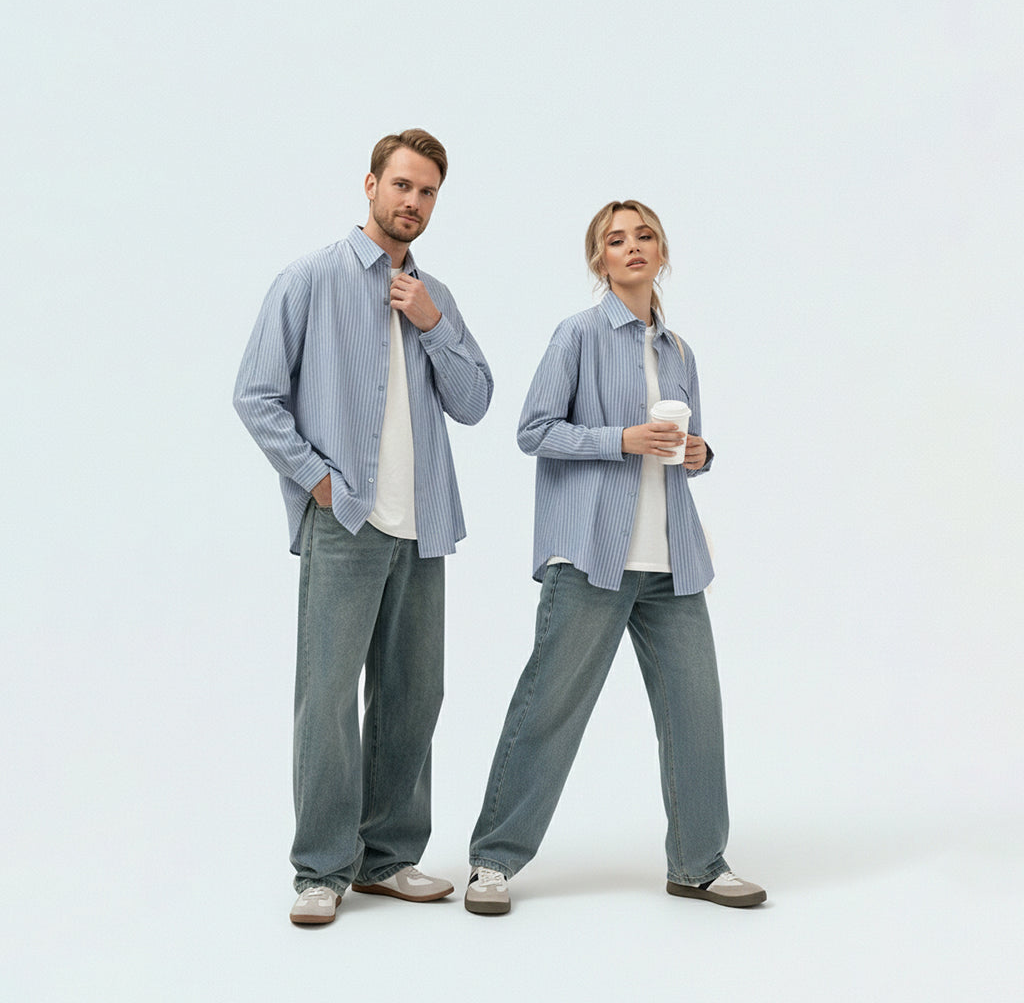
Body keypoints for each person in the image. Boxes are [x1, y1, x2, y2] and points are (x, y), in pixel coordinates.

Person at [464, 199, 764, 915]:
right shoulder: (577, 336)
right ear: (599, 260)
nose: (632, 247)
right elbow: (534, 431)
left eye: (646, 236)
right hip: (592, 557)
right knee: (550, 708)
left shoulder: (679, 352)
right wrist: (618, 440)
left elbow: (689, 453)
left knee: (696, 712)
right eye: (616, 239)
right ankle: (492, 862)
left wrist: (699, 454)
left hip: (672, 562)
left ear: (663, 252)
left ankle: (698, 862)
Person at [234, 129, 492, 925]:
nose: (413, 202)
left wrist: (432, 321)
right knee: (327, 697)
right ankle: (321, 867)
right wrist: (318, 481)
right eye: (402, 185)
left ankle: (388, 858)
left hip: (423, 526)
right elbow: (256, 395)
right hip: (345, 521)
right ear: (372, 185)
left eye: (428, 192)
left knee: (415, 693)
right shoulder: (310, 278)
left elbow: (476, 400)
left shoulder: (433, 293)